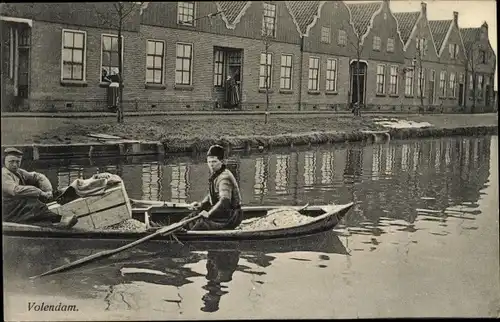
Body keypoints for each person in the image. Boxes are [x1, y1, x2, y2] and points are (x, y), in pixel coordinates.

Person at [2, 148, 78, 228]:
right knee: (33, 203)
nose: (15, 165)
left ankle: (53, 218)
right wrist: (40, 192)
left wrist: (48, 191)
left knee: (37, 200)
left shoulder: (18, 172)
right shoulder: (3, 174)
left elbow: (38, 176)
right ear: (4, 161)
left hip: (16, 205)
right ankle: (58, 220)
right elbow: (16, 190)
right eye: (11, 162)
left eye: (17, 162)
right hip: (7, 209)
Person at [185, 145, 243, 231]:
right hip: (222, 214)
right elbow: (212, 195)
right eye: (209, 162)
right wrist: (201, 204)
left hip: (230, 218)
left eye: (214, 161)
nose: (211, 165)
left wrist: (209, 213)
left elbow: (225, 201)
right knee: (192, 216)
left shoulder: (224, 177)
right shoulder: (216, 174)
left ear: (222, 161)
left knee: (200, 224)